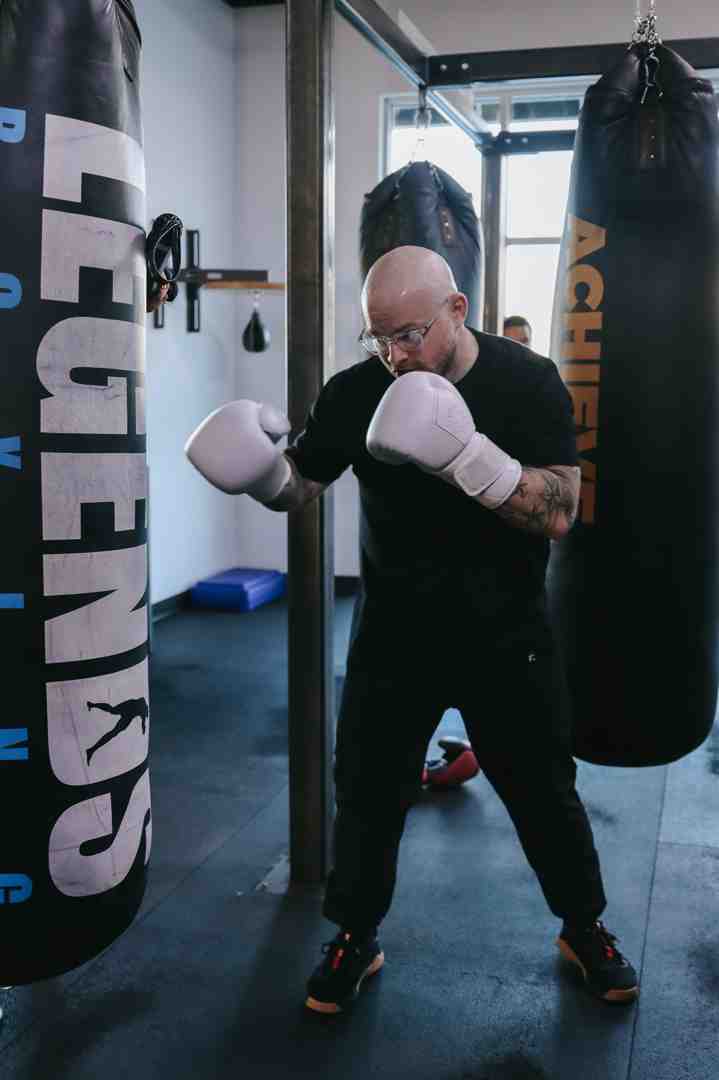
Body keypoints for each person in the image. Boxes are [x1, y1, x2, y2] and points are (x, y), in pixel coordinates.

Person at [184, 244, 639, 1016]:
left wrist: (468, 459)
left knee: (542, 791)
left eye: (408, 334)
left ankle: (582, 926)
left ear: (456, 310)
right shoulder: (357, 389)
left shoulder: (526, 381)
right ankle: (354, 936)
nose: (394, 355)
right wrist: (259, 474)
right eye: (378, 337)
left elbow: (559, 510)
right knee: (366, 791)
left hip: (506, 632)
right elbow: (300, 486)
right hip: (394, 631)